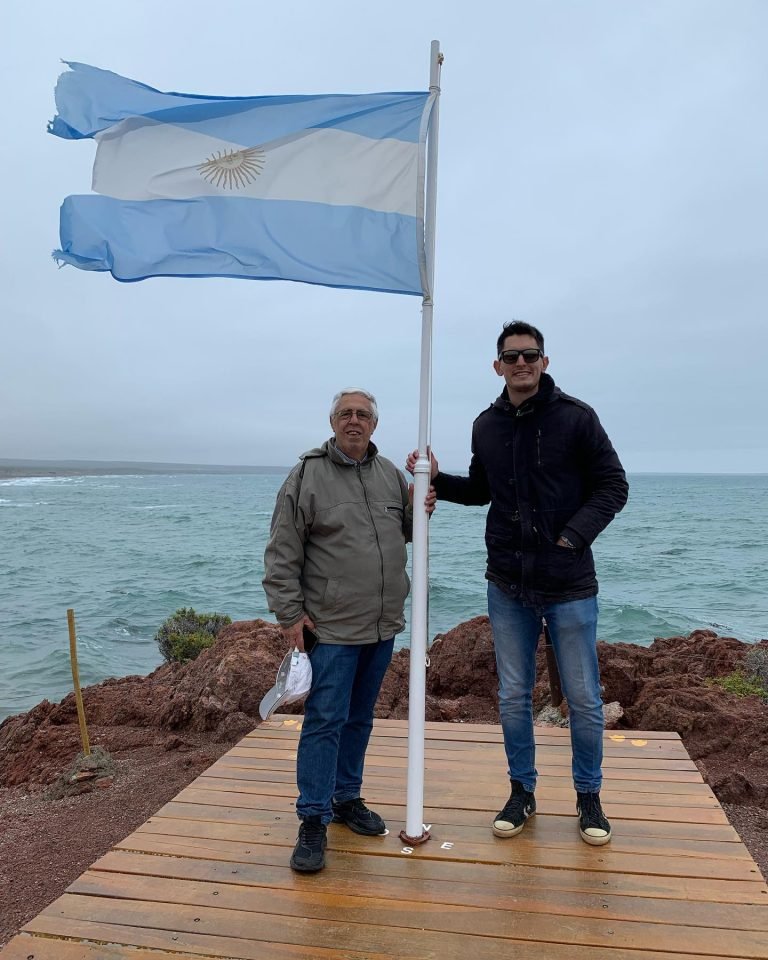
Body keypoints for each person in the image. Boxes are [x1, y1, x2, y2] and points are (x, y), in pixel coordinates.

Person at [407, 321, 628, 846]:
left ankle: (589, 796)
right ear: (498, 366)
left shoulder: (577, 418)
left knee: (584, 699)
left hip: (570, 583)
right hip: (508, 584)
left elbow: (613, 485)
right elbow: (482, 490)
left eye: (530, 355)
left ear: (544, 362)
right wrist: (433, 480)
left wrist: (571, 537)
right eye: (511, 357)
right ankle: (521, 791)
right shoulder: (486, 425)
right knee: (512, 696)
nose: (521, 363)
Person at [263, 388, 435, 873]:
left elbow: (407, 531)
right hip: (332, 628)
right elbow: (282, 551)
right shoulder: (306, 475)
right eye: (345, 414)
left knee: (359, 719)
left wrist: (422, 500)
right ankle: (313, 819)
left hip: (381, 626)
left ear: (374, 425)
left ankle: (345, 799)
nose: (354, 421)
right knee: (325, 722)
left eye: (362, 414)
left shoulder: (389, 474)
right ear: (333, 422)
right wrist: (289, 615)